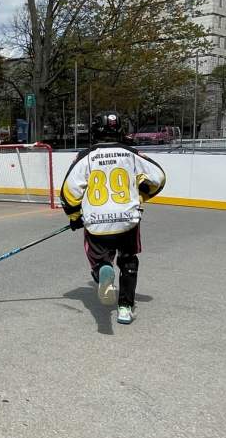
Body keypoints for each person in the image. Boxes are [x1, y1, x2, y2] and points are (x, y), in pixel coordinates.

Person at [59, 111, 166, 325]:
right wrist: (140, 195)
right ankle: (125, 308)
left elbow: (68, 192)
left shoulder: (86, 157)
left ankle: (102, 270)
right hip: (127, 219)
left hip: (98, 222)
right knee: (128, 262)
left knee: (98, 257)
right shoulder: (131, 154)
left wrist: (75, 216)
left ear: (95, 130)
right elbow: (159, 177)